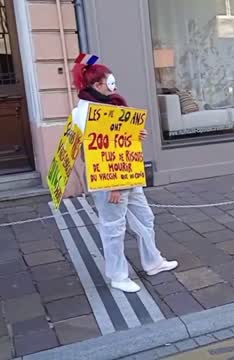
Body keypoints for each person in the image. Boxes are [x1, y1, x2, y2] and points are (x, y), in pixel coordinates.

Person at [71, 57, 178, 293]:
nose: (114, 85)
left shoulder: (112, 106)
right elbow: (94, 152)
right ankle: (118, 275)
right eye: (109, 81)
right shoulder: (88, 113)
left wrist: (134, 134)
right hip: (110, 182)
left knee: (144, 217)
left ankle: (153, 261)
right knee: (113, 228)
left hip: (128, 175)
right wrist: (114, 186)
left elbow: (119, 141)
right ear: (97, 85)